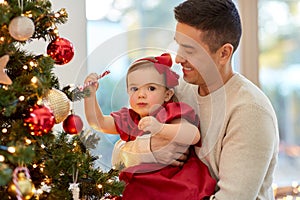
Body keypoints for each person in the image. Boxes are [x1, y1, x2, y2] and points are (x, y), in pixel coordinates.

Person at [112, 0, 280, 199]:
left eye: (190, 50)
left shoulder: (250, 112)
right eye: (179, 46)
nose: (178, 58)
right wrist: (151, 151)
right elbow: (117, 157)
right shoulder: (177, 89)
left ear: (224, 53)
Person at [84, 53, 216, 200]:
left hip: (176, 183)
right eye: (135, 89)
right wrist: (90, 95)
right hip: (142, 187)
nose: (141, 94)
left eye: (151, 88)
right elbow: (98, 123)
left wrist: (160, 128)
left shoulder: (169, 112)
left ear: (167, 94)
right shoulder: (130, 119)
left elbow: (193, 135)